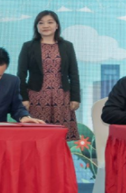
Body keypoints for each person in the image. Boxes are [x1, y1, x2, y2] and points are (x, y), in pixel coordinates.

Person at [17, 10, 80, 140]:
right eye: (41, 23)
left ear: (57, 26)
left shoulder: (67, 46)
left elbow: (73, 73)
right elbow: (21, 74)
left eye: (50, 22)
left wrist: (75, 98)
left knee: (59, 136)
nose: (45, 26)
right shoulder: (28, 46)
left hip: (61, 96)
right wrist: (24, 98)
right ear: (36, 26)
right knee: (37, 134)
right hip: (36, 96)